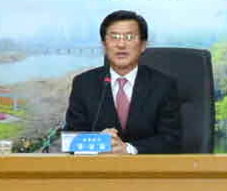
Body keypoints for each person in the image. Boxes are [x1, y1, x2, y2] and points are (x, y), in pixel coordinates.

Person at [61, 9, 182, 155]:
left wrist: (128, 149)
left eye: (129, 37)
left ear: (143, 45)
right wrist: (97, 142)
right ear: (104, 44)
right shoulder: (84, 84)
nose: (121, 44)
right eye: (114, 37)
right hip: (99, 167)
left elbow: (172, 140)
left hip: (147, 168)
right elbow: (70, 140)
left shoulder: (163, 85)